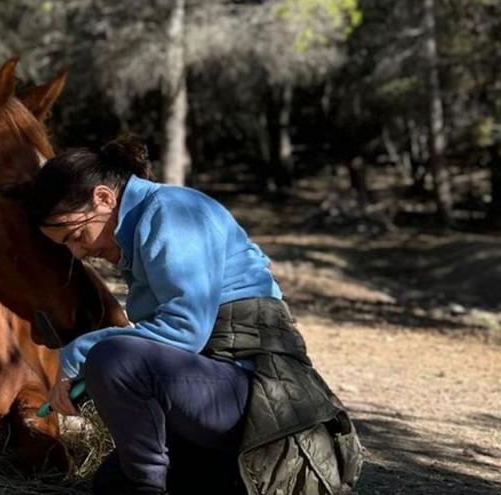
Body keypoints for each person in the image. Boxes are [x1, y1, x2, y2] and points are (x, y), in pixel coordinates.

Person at [31, 136, 363, 495]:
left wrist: (80, 355)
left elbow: (184, 330)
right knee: (111, 482)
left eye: (78, 234)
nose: (81, 253)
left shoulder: (169, 211)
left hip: (263, 402)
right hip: (220, 399)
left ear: (104, 198)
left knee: (114, 359)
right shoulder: (141, 229)